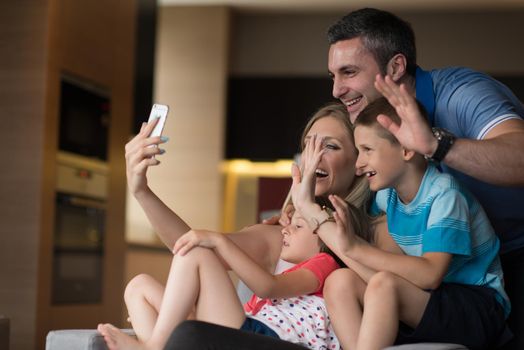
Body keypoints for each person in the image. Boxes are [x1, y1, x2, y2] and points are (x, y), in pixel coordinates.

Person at [100, 102, 392, 349]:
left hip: (267, 338)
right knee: (142, 284)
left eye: (329, 145)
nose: (313, 155)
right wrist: (141, 191)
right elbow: (189, 246)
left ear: (359, 159)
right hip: (243, 329)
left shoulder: (376, 232)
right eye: (309, 145)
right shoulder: (282, 234)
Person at [324, 8, 524, 349]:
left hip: (508, 260)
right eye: (333, 75)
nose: (336, 90)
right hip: (446, 275)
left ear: (396, 67)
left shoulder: (462, 95)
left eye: (349, 72)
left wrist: (435, 145)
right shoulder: (375, 139)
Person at [293, 96, 511, 349]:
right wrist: (303, 210)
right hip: (432, 299)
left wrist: (355, 247)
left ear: (406, 150)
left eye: (367, 150)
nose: (359, 164)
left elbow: (430, 274)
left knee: (385, 284)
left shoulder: (445, 196)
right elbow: (349, 233)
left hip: (477, 307)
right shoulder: (388, 195)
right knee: (340, 281)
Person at [98, 194, 372, 350]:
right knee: (139, 286)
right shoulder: (294, 270)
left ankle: (154, 346)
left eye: (298, 227)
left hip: (262, 338)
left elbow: (268, 287)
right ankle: (155, 343)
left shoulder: (326, 262)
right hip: (249, 326)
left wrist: (219, 241)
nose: (285, 230)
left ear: (327, 236)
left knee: (197, 252)